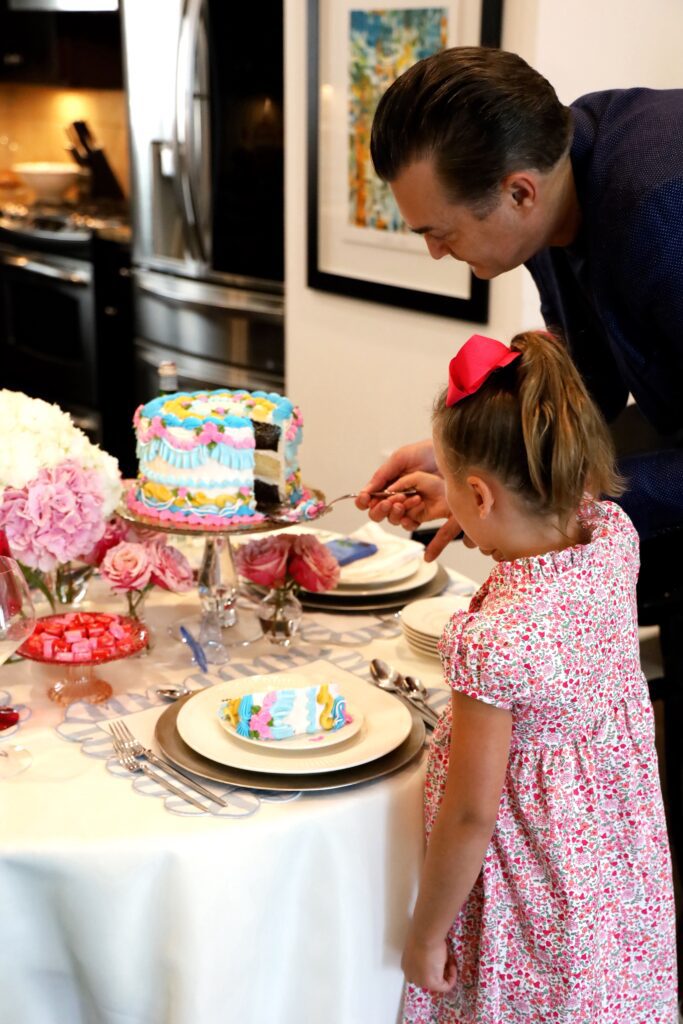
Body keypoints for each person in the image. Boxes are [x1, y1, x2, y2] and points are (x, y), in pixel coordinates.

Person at [401, 329, 677, 1023]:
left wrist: (425, 932)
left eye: (459, 500)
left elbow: (470, 816)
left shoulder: (493, 642)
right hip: (612, 872)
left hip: (536, 889)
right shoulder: (612, 536)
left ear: (477, 494)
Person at [356, 47, 683, 555]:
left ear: (519, 194)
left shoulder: (662, 212)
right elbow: (589, 384)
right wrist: (472, 463)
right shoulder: (554, 192)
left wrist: (538, 510)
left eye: (440, 232)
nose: (436, 253)